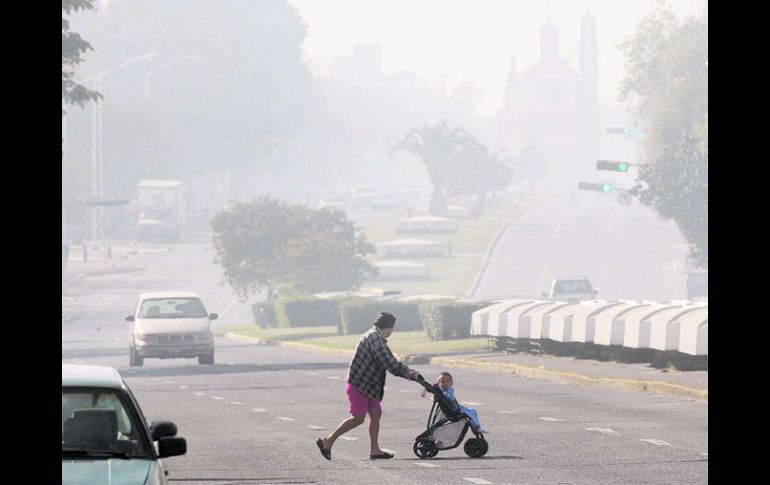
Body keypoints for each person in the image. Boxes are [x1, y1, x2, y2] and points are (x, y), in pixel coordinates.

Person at [316, 311, 419, 460]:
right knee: (358, 418)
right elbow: (389, 363)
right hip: (359, 384)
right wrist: (407, 374)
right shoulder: (375, 340)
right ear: (389, 327)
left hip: (369, 385)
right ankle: (328, 440)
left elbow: (390, 360)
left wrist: (408, 371)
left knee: (376, 414)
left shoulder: (374, 335)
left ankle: (374, 450)